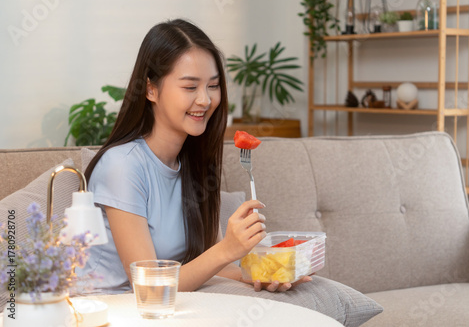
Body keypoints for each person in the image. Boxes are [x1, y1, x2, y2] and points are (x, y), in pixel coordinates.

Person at [78, 19, 311, 294]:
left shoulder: (193, 162)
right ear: (151, 89)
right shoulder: (122, 166)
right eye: (190, 87)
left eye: (212, 86)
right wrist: (227, 249)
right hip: (108, 310)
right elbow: (149, 288)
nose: (205, 100)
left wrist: (264, 274)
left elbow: (214, 266)